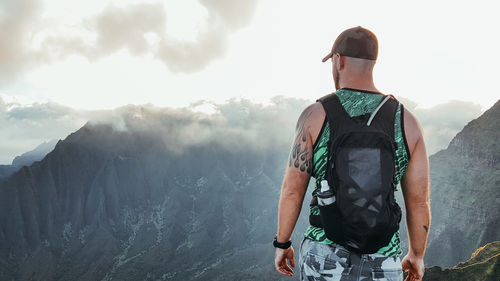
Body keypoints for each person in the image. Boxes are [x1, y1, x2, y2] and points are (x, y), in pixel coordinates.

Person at [273, 26, 431, 281]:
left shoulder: (314, 116)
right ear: (373, 62)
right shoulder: (407, 122)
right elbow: (418, 201)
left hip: (324, 257)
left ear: (338, 60)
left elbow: (292, 190)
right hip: (384, 259)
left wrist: (282, 244)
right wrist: (416, 254)